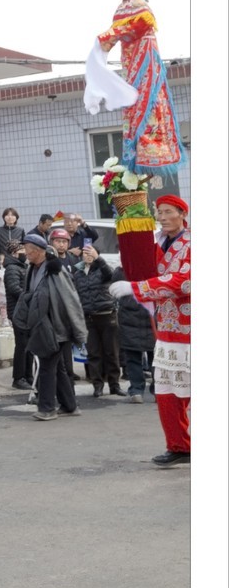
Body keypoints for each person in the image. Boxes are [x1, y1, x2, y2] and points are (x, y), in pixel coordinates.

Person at [112, 195, 190, 467]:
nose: (162, 216)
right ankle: (179, 445)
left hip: (190, 331)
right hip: (166, 330)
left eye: (168, 211)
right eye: (159, 211)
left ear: (182, 214)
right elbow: (146, 270)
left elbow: (184, 282)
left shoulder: (193, 242)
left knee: (191, 392)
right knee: (167, 392)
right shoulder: (159, 243)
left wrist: (136, 288)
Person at [91, 0, 183, 172]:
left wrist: (106, 38)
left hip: (145, 59)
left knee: (146, 98)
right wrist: (105, 42)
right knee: (134, 100)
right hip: (131, 61)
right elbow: (119, 33)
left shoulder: (139, 6)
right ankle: (140, 148)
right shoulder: (124, 6)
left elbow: (135, 28)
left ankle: (152, 147)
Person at [12, 232, 88, 423]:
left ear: (39, 251)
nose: (25, 253)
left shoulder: (55, 271)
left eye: (28, 250)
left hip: (57, 327)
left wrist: (76, 330)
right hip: (42, 326)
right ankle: (70, 406)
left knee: (47, 366)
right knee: (58, 367)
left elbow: (70, 300)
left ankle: (47, 408)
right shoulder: (33, 268)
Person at [72, 243, 122, 396]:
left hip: (107, 315)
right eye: (84, 253)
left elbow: (110, 274)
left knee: (111, 352)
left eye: (90, 253)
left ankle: (114, 385)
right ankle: (97, 386)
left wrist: (98, 258)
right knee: (93, 354)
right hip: (88, 318)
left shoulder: (103, 269)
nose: (87, 255)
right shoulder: (77, 273)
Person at [111, 262, 156, 404]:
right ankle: (157, 390)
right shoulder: (153, 268)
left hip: (131, 319)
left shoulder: (121, 271)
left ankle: (137, 390)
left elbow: (112, 289)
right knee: (155, 359)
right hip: (150, 317)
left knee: (134, 358)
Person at [1, 244, 30, 388]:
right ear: (13, 253)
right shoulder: (12, 268)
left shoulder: (23, 266)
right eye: (21, 251)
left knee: (29, 345)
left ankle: (29, 376)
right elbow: (14, 288)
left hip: (26, 310)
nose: (24, 253)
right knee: (22, 345)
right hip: (18, 311)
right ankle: (19, 378)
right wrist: (30, 296)